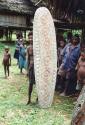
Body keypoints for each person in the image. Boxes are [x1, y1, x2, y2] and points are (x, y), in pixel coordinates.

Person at [26, 32, 35, 105]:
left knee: (39, 84)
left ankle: (39, 98)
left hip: (38, 68)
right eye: (29, 38)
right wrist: (27, 70)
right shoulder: (28, 47)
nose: (30, 39)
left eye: (32, 37)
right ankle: (29, 99)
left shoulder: (38, 46)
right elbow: (28, 59)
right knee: (30, 83)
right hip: (31, 67)